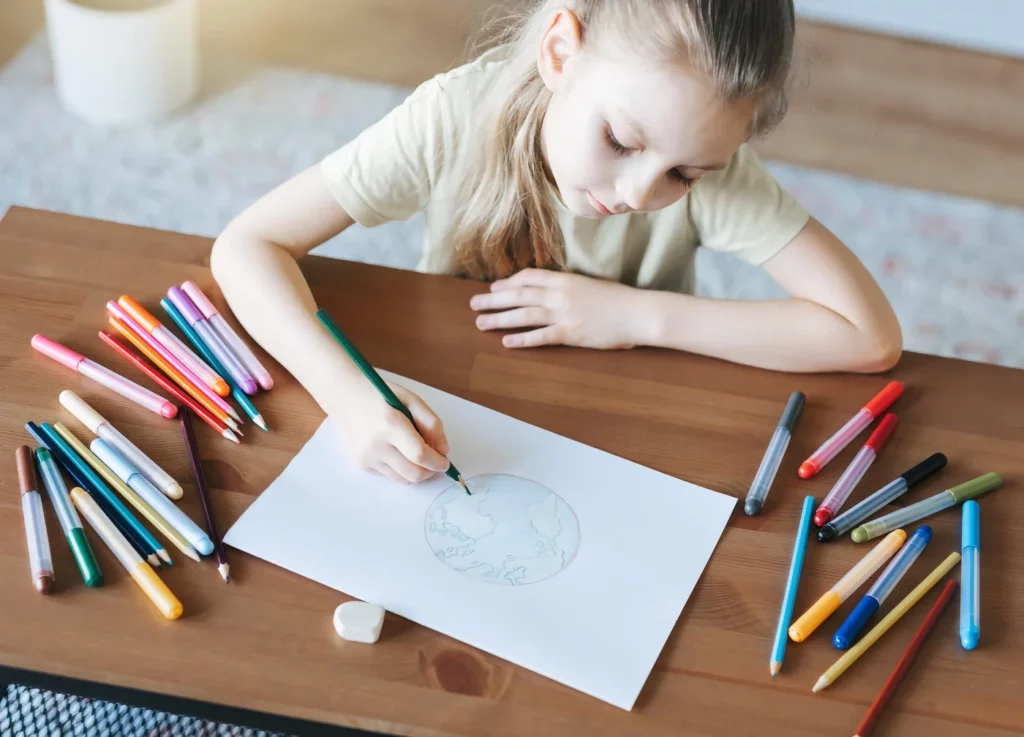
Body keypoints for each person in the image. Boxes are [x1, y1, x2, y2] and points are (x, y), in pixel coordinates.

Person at [211, 0, 903, 485]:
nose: (638, 192)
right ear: (559, 51)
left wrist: (632, 316)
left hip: (631, 418)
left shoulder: (712, 173)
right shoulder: (452, 118)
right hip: (464, 398)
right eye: (622, 141)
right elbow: (248, 244)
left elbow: (868, 335)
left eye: (685, 175)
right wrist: (346, 394)